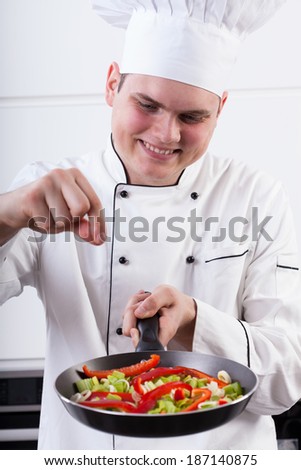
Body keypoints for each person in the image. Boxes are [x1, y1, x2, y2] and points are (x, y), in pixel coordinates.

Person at [1, 0, 301, 450]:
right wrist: (7, 214)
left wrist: (197, 322)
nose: (166, 135)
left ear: (220, 109)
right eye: (147, 105)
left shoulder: (257, 197)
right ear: (111, 85)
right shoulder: (44, 192)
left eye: (192, 117)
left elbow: (287, 380)